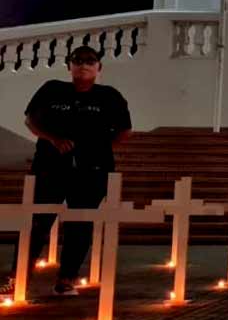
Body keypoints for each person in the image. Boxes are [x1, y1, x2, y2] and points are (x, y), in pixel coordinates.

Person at [0, 45, 131, 298]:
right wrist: (53, 139)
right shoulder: (52, 90)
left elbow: (125, 130)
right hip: (51, 166)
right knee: (37, 221)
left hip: (91, 170)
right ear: (69, 65)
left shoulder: (109, 96)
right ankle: (18, 277)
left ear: (98, 68)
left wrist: (98, 149)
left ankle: (67, 278)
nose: (84, 65)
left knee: (80, 223)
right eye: (78, 60)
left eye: (90, 61)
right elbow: (31, 120)